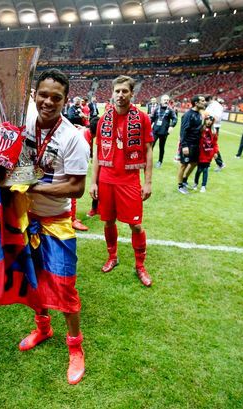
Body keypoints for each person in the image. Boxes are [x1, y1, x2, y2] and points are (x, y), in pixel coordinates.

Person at [0, 69, 89, 385]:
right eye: (43, 94)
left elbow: (76, 187)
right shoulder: (20, 122)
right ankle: (42, 327)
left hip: (56, 223)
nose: (48, 102)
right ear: (34, 94)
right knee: (32, 281)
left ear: (66, 100)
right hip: (22, 221)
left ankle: (75, 347)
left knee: (65, 287)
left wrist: (30, 186)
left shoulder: (72, 138)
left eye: (56, 97)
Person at [89, 75, 153, 287]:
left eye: (124, 91)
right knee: (108, 221)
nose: (120, 95)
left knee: (135, 225)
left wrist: (148, 182)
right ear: (112, 93)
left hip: (129, 181)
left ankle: (140, 265)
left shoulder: (142, 118)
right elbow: (97, 151)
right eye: (117, 91)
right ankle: (112, 257)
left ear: (131, 94)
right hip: (106, 180)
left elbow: (148, 150)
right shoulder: (103, 119)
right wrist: (94, 182)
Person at [177, 95, 206, 194]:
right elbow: (183, 130)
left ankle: (185, 179)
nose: (204, 102)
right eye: (202, 101)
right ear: (196, 103)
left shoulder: (199, 114)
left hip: (196, 144)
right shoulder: (188, 114)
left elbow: (197, 129)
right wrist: (184, 145)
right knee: (183, 165)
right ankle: (180, 186)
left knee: (194, 163)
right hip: (188, 144)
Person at [192, 115, 219, 193]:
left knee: (205, 170)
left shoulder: (214, 131)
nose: (209, 122)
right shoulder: (200, 129)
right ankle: (195, 183)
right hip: (201, 153)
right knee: (199, 169)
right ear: (204, 120)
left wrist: (215, 152)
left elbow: (215, 143)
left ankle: (203, 186)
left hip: (208, 154)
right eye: (207, 120)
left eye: (211, 120)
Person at [150, 94, 177, 168]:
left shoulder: (170, 110)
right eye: (165, 100)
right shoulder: (156, 109)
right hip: (155, 131)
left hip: (164, 132)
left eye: (167, 100)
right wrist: (148, 126)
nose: (166, 101)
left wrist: (171, 126)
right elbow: (152, 118)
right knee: (151, 146)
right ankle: (148, 160)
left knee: (161, 147)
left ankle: (160, 161)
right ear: (161, 101)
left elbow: (175, 119)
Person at [205, 95, 226, 171]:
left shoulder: (217, 106)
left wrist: (207, 115)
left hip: (214, 127)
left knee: (212, 145)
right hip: (210, 126)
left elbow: (217, 118)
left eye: (205, 101)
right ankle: (207, 162)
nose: (204, 103)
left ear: (209, 99)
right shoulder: (211, 105)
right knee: (207, 145)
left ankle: (220, 163)